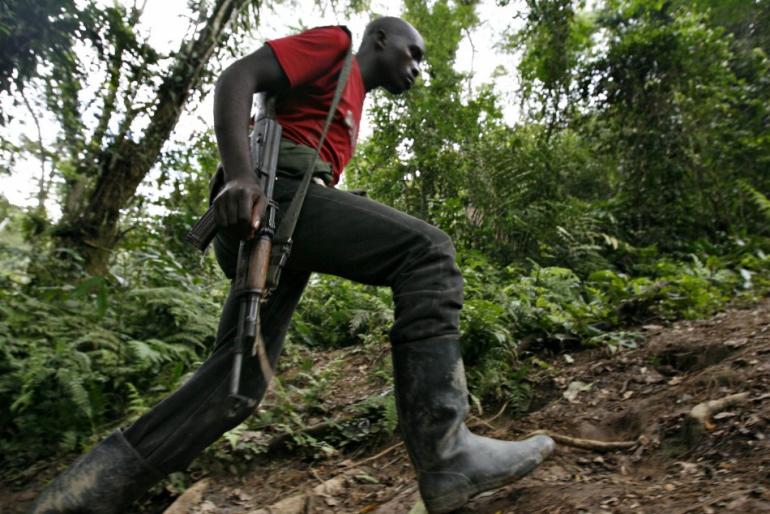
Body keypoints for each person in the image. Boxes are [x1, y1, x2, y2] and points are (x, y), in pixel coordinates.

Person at [31, 17, 554, 514]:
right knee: (428, 254)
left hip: (285, 219)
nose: (417, 68)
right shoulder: (333, 45)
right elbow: (238, 77)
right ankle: (448, 453)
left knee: (234, 388)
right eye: (412, 54)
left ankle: (78, 499)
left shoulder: (352, 101)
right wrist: (240, 178)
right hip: (268, 201)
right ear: (378, 41)